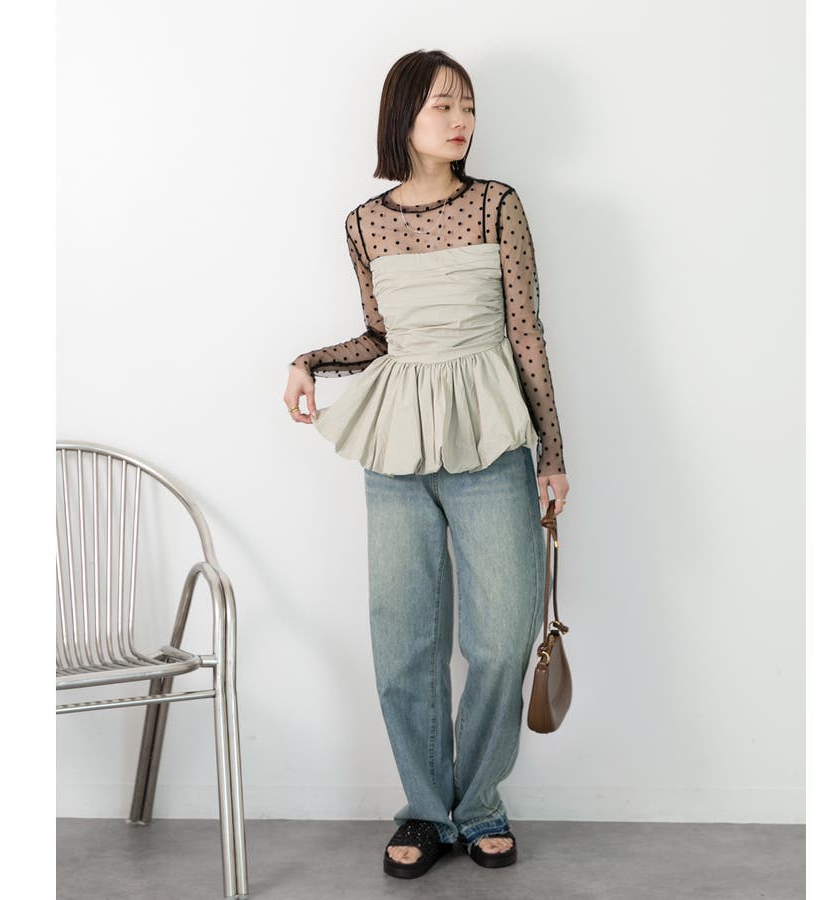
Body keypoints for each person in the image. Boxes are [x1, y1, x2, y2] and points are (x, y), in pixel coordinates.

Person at [283, 49, 570, 879]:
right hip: (396, 445)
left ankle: (478, 804)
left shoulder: (495, 206)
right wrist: (309, 360)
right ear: (402, 116)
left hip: (489, 439)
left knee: (503, 637)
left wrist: (553, 452)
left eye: (468, 106)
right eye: (443, 105)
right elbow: (382, 336)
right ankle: (426, 809)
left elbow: (525, 332)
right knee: (404, 639)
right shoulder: (364, 224)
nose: (460, 120)